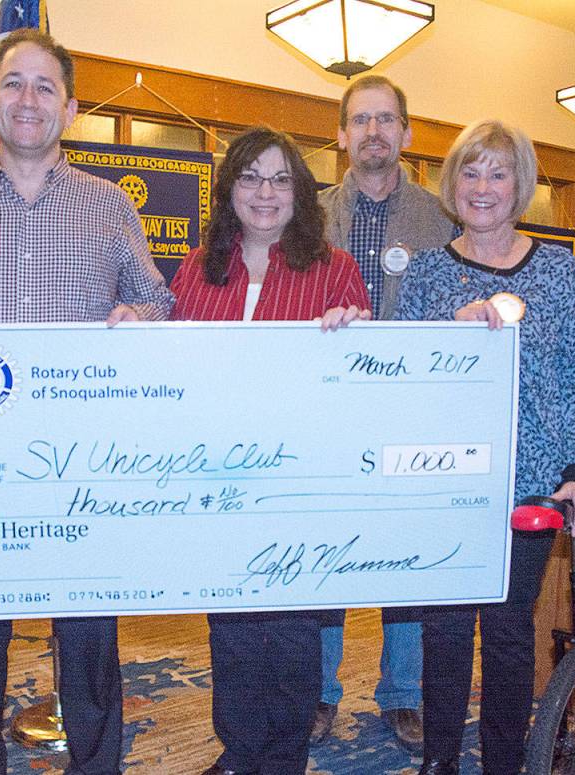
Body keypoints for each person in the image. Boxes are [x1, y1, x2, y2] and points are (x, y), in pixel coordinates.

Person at [0, 28, 173, 775]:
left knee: (88, 629)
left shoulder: (109, 204)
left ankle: (96, 763)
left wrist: (139, 317)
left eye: (46, 86)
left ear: (70, 109)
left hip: (83, 452)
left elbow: (158, 298)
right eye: (13, 82)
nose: (28, 99)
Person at [396, 118, 575, 775]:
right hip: (446, 479)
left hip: (529, 482)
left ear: (520, 185)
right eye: (470, 171)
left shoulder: (558, 269)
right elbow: (398, 375)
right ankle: (438, 760)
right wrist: (447, 330)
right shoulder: (427, 273)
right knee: (445, 632)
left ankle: (504, 764)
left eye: (498, 172)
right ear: (451, 183)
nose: (482, 186)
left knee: (510, 633)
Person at [171, 126, 370, 775]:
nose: (265, 192)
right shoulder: (196, 269)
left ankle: (284, 758)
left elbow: (362, 382)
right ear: (229, 188)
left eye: (281, 179)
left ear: (299, 193)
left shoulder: (336, 270)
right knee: (230, 627)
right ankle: (239, 750)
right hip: (216, 481)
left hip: (298, 489)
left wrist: (354, 334)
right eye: (251, 177)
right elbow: (170, 375)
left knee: (290, 633)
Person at [312, 74, 456, 752]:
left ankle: (402, 693)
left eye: (386, 119)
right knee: (324, 552)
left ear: (406, 131)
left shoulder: (441, 217)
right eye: (360, 120)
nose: (373, 131)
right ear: (341, 135)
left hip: (410, 413)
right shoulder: (306, 214)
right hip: (326, 412)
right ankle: (318, 691)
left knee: (406, 555)